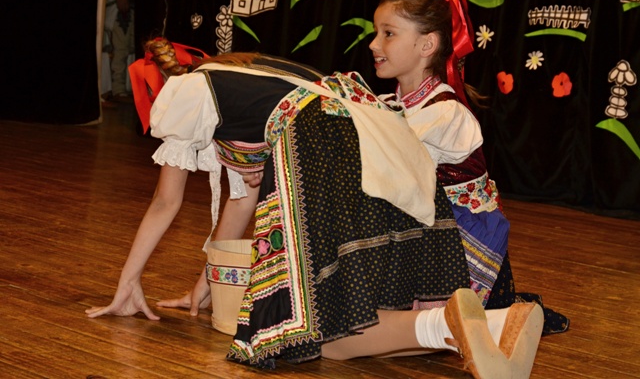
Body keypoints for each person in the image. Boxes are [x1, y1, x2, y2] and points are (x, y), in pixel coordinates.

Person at [86, 35, 545, 378]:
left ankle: (450, 324)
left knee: (319, 334)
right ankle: (494, 323)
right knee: (371, 314)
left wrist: (127, 283)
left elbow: (165, 201)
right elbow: (240, 203)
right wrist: (208, 284)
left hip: (330, 159)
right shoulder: (254, 82)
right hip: (382, 155)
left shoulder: (187, 92)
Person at [368, 0, 569, 334]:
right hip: (429, 232)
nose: (373, 44)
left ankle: (514, 313)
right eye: (376, 33)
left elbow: (384, 163)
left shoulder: (444, 114)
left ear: (427, 45)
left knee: (462, 326)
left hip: (462, 243)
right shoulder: (393, 104)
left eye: (388, 33)